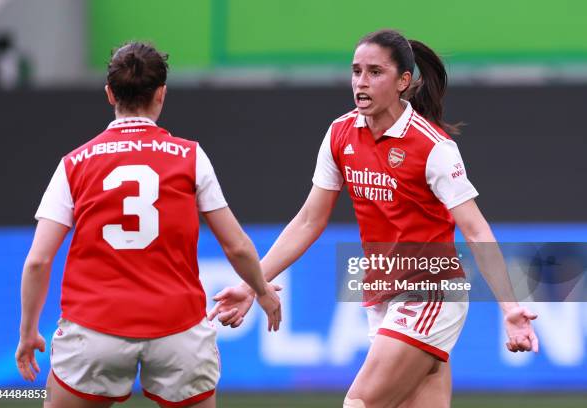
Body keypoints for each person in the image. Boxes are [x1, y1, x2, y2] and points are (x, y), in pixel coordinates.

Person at [208, 29, 538, 407]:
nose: (361, 82)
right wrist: (253, 284)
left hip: (430, 292)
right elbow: (308, 222)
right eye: (356, 71)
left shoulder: (434, 148)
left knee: (359, 404)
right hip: (381, 294)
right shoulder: (340, 133)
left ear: (404, 82)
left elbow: (476, 228)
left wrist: (510, 309)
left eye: (375, 72)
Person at [15, 42, 281, 408]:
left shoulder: (74, 163)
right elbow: (235, 245)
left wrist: (28, 331)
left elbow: (38, 261)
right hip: (177, 329)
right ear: (161, 94)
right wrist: (262, 291)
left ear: (109, 94)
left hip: (95, 328)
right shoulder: (191, 157)